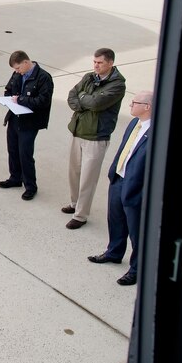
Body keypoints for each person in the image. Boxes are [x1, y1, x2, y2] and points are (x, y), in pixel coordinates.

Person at [87, 90, 153, 286]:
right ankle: (114, 252)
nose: (130, 105)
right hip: (119, 178)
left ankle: (136, 270)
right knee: (115, 219)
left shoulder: (156, 132)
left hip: (136, 185)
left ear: (147, 107)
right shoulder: (134, 123)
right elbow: (125, 147)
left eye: (134, 102)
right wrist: (114, 170)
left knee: (136, 230)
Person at [63, 48, 127, 229]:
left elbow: (97, 104)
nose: (96, 66)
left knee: (88, 178)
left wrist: (83, 98)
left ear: (110, 63)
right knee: (74, 172)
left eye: (100, 63)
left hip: (96, 136)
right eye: (94, 62)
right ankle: (75, 203)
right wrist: (85, 99)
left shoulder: (117, 85)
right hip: (78, 130)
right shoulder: (89, 77)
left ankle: (81, 215)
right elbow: (71, 95)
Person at [0, 51, 54, 201]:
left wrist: (21, 100)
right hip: (14, 118)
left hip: (30, 122)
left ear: (25, 63)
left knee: (25, 154)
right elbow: (9, 90)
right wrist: (9, 98)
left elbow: (43, 101)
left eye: (18, 68)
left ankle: (30, 186)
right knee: (13, 150)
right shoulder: (17, 74)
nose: (17, 72)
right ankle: (15, 177)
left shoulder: (43, 78)